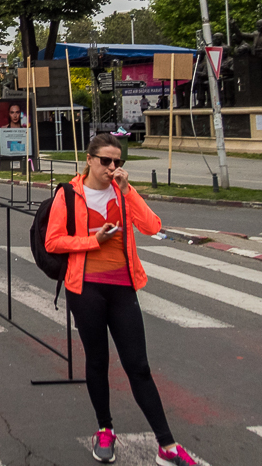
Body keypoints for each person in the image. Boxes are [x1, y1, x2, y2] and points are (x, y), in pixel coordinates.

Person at [45, 134, 197, 466]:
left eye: (118, 162)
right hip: (85, 289)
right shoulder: (69, 194)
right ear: (89, 160)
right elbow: (53, 241)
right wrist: (92, 240)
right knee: (97, 361)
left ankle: (167, 446)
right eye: (106, 161)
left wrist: (129, 191)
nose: (112, 168)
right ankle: (105, 429)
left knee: (138, 366)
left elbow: (152, 226)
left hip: (123, 287)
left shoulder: (122, 192)